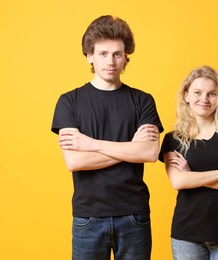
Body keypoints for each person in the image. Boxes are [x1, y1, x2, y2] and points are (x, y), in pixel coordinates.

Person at [51, 15, 163, 260]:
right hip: (88, 217)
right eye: (103, 54)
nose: (110, 61)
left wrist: (90, 145)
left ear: (126, 58)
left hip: (134, 215)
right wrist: (131, 148)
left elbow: (150, 153)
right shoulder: (69, 101)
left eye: (117, 54)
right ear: (89, 56)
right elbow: (75, 162)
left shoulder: (143, 100)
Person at [159, 66, 218, 260]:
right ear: (186, 96)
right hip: (187, 235)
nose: (204, 99)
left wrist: (191, 176)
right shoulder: (173, 139)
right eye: (197, 92)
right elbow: (178, 182)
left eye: (212, 94)